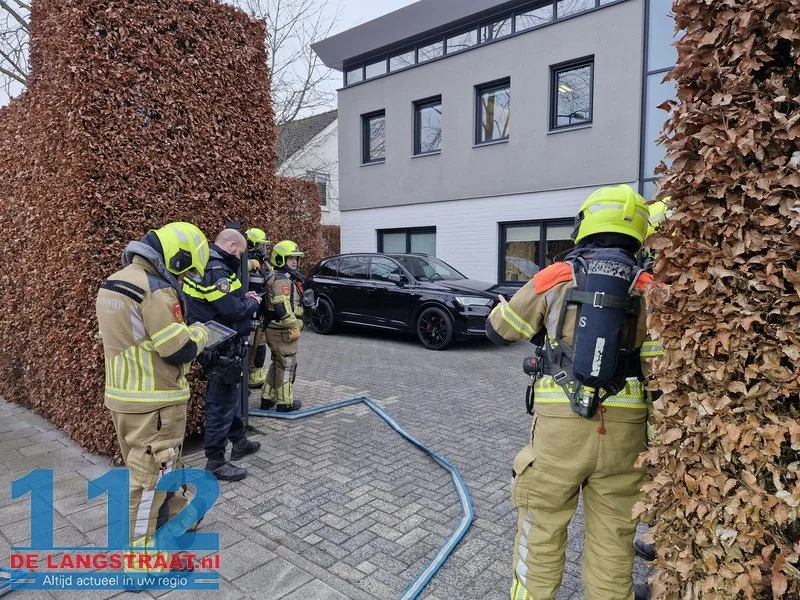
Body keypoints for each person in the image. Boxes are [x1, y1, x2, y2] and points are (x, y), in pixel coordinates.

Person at [487, 185, 655, 600]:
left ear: (584, 224)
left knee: (541, 525)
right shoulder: (651, 286)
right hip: (626, 435)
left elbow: (500, 329)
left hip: (560, 429)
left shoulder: (558, 275)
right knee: (615, 536)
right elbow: (660, 366)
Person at [96, 222, 210, 560]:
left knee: (160, 470)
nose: (185, 279)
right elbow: (176, 349)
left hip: (123, 396)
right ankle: (141, 561)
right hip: (155, 401)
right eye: (186, 271)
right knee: (148, 483)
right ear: (177, 258)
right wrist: (201, 333)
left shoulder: (113, 282)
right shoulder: (155, 289)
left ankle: (176, 521)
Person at [182, 229, 263, 481]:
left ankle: (238, 441)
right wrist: (253, 303)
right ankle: (215, 461)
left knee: (228, 398)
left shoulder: (206, 263)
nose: (239, 256)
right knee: (219, 403)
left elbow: (227, 299)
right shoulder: (217, 269)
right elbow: (232, 310)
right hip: (220, 346)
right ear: (230, 245)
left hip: (218, 343)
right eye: (239, 252)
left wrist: (242, 297)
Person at [260, 240, 305, 412]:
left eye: (296, 258)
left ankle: (267, 397)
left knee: (277, 364)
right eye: (289, 258)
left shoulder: (279, 276)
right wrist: (295, 325)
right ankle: (285, 403)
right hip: (282, 331)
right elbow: (281, 308)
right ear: (280, 259)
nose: (294, 262)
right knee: (287, 365)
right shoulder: (281, 280)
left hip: (276, 329)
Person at [244, 228, 271, 389]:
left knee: (260, 349)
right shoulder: (243, 262)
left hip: (260, 314)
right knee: (246, 350)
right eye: (261, 246)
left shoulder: (262, 265)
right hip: (248, 315)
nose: (263, 250)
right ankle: (244, 381)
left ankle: (255, 376)